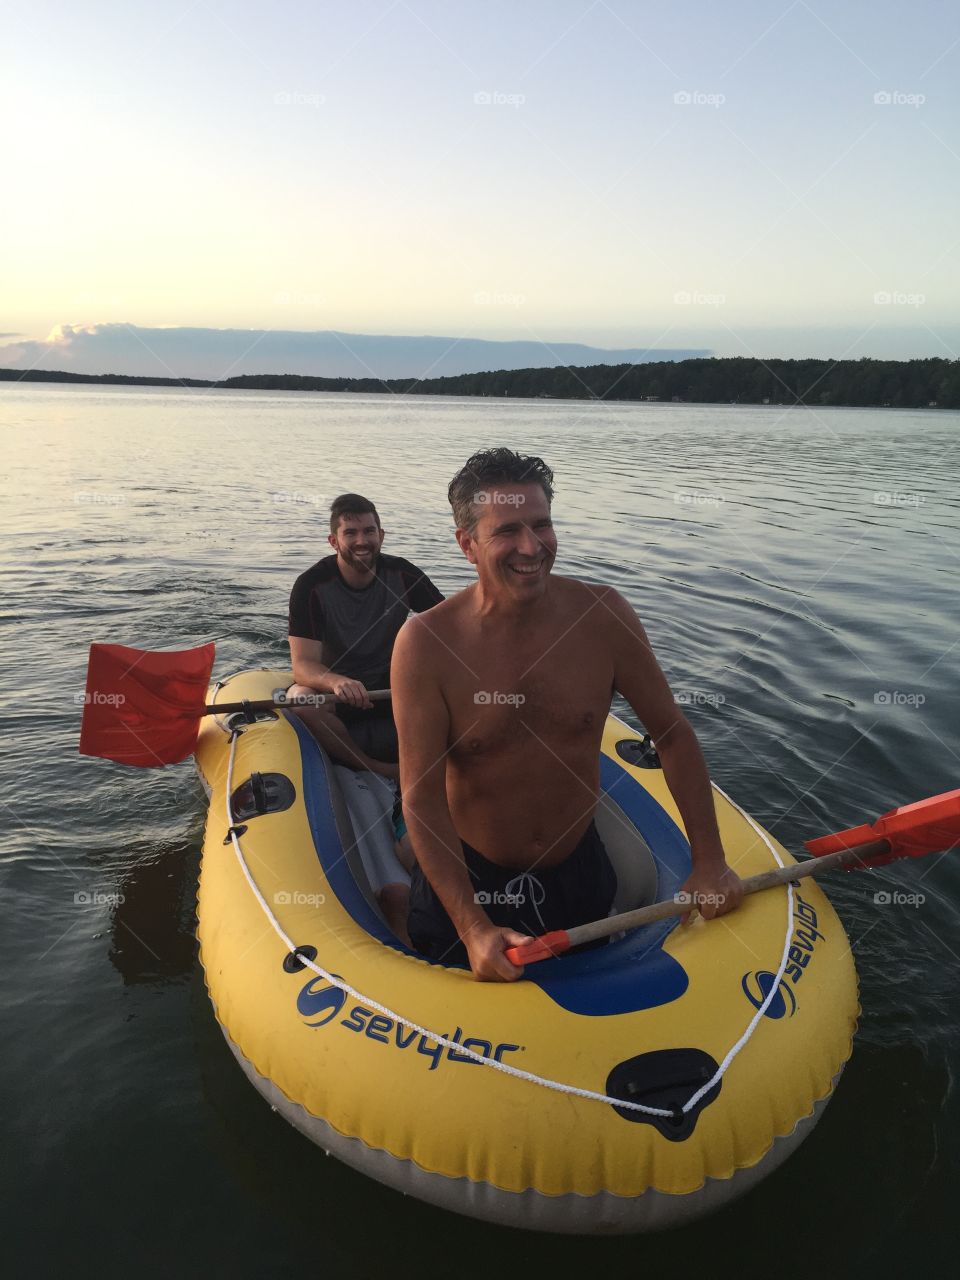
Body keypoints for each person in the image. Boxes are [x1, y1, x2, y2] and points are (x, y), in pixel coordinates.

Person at [391, 448, 744, 981]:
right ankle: (400, 890)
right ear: (467, 545)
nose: (531, 547)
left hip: (577, 868)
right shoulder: (427, 644)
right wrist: (471, 927)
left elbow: (671, 735)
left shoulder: (602, 616)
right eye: (507, 530)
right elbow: (421, 794)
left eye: (542, 525)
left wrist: (710, 861)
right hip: (474, 874)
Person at [287, 493, 443, 779]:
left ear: (381, 535)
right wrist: (337, 682)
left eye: (369, 531)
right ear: (334, 541)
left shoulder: (403, 574)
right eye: (351, 533)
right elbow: (303, 666)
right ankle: (377, 769)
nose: (362, 541)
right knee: (302, 701)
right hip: (336, 692)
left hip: (391, 686)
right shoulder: (311, 586)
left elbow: (450, 628)